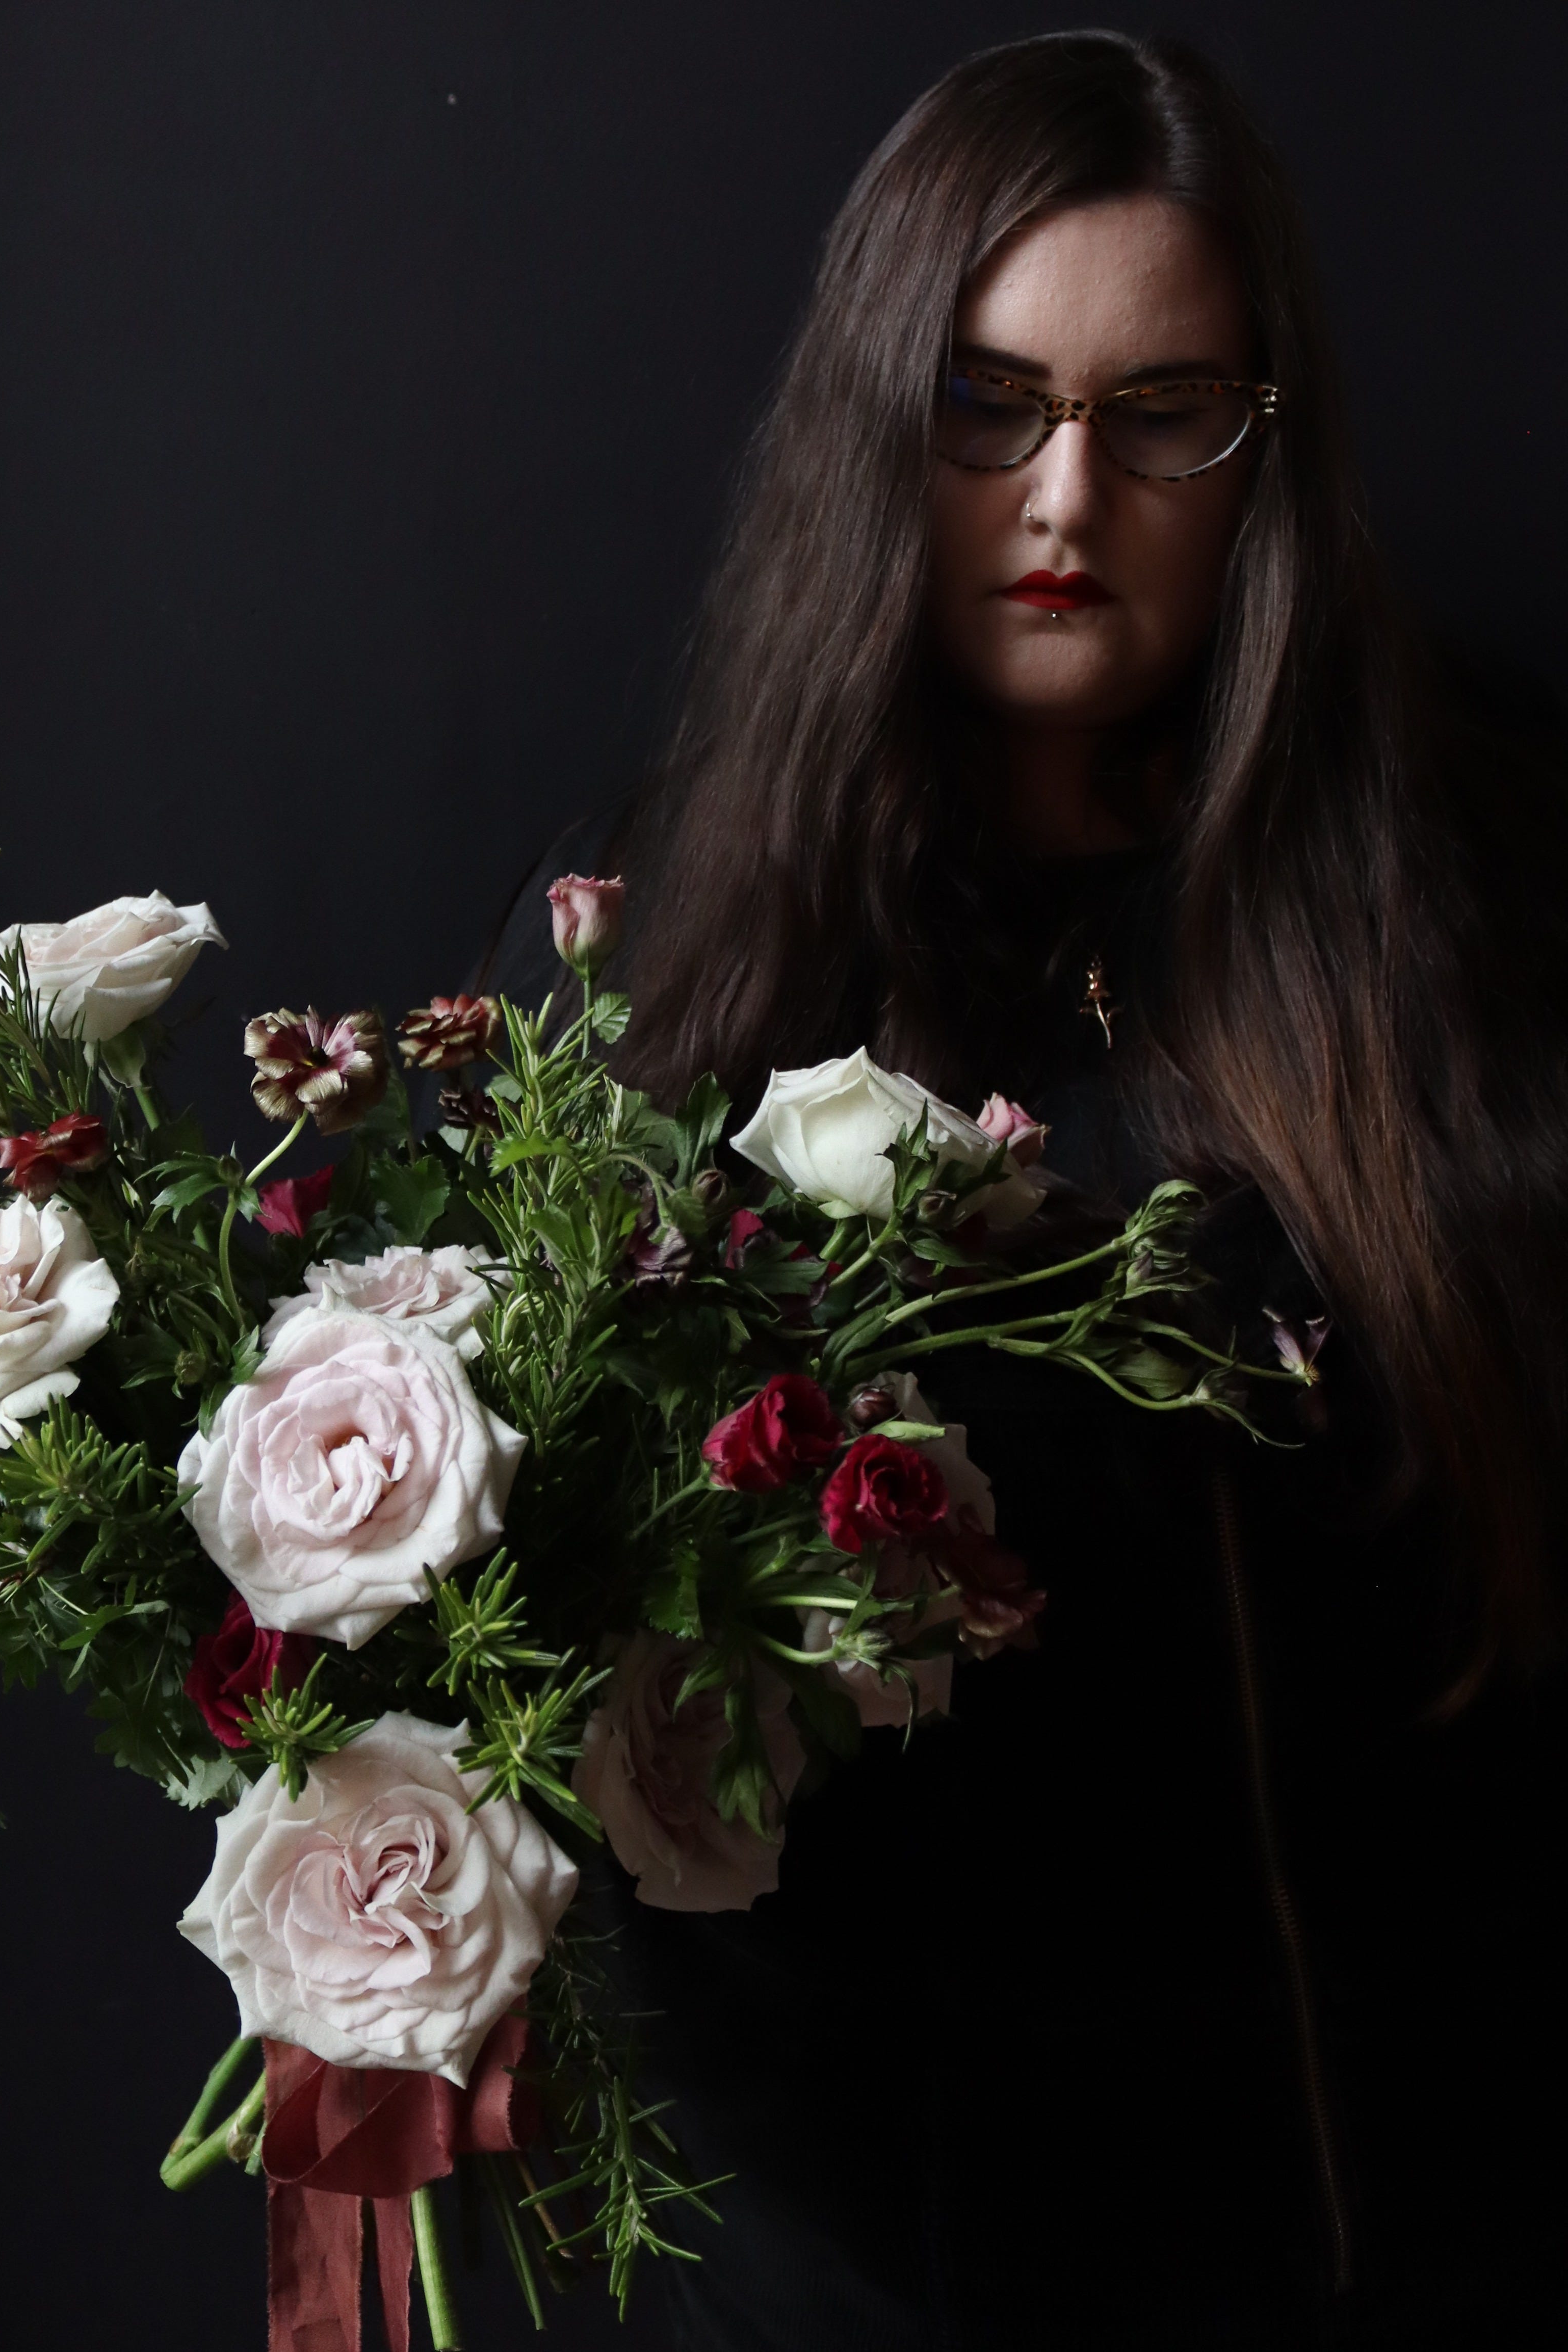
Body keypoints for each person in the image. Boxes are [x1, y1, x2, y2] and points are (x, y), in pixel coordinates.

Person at [487, 31, 1565, 2351]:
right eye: (989, 404)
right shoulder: (666, 976)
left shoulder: (1480, 898)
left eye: (1163, 413)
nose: (1066, 491)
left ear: (1261, 450)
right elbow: (594, 1780)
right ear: (880, 420)